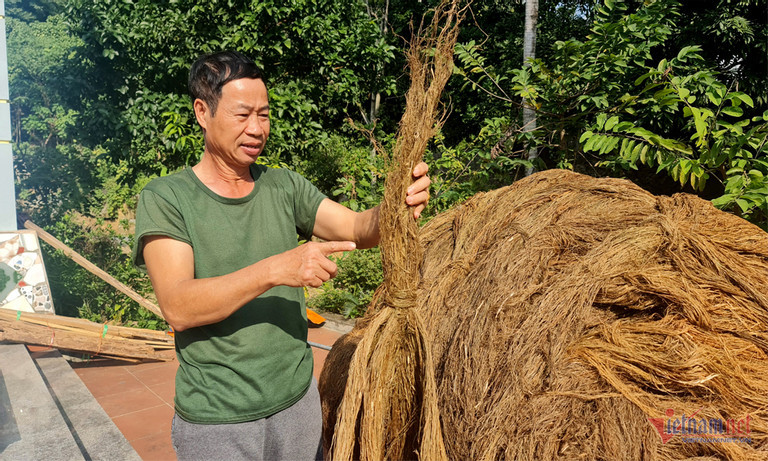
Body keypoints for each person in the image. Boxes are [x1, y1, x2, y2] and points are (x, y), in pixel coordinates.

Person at [131, 50, 431, 460]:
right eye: (242, 115)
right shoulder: (167, 197)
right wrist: (277, 268)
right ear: (202, 112)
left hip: (298, 404)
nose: (257, 129)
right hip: (219, 421)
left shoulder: (283, 186)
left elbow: (359, 228)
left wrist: (398, 205)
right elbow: (178, 306)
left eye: (264, 115)